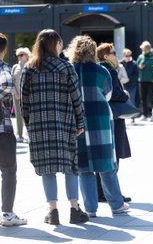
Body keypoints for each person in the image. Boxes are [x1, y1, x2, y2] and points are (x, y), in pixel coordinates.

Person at [20, 29, 88, 225]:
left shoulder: (29, 68)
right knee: (70, 166)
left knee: (46, 167)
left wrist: (28, 124)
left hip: (39, 126)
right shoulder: (66, 67)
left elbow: (24, 102)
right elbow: (77, 99)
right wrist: (80, 122)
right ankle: (74, 209)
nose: (61, 46)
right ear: (55, 44)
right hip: (65, 124)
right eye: (60, 43)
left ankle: (53, 212)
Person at [69, 35, 129, 217]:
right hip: (100, 119)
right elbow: (109, 95)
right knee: (106, 164)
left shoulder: (69, 71)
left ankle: (90, 209)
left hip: (77, 120)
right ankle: (117, 205)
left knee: (84, 167)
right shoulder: (101, 70)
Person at [96, 43, 132, 203]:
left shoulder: (98, 69)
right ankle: (111, 193)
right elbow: (115, 93)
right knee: (113, 155)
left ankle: (101, 192)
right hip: (114, 116)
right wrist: (125, 94)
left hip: (103, 115)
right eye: (113, 52)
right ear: (105, 56)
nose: (116, 55)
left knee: (104, 155)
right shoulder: (108, 70)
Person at [0, 33, 27, 226]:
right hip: (2, 128)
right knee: (9, 170)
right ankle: (7, 214)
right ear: (4, 49)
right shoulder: (3, 67)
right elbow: (8, 83)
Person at [11, 47, 30, 143]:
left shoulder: (31, 65)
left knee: (28, 115)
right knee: (18, 116)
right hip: (17, 96)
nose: (19, 57)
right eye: (18, 55)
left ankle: (28, 134)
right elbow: (11, 82)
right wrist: (15, 93)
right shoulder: (15, 67)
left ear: (26, 55)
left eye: (21, 55)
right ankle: (19, 135)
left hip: (29, 96)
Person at [137, 41, 153, 121]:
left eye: (145, 49)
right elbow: (137, 66)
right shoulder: (140, 56)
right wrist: (139, 67)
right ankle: (144, 115)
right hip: (142, 80)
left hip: (151, 80)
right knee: (143, 98)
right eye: (143, 49)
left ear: (149, 48)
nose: (144, 50)